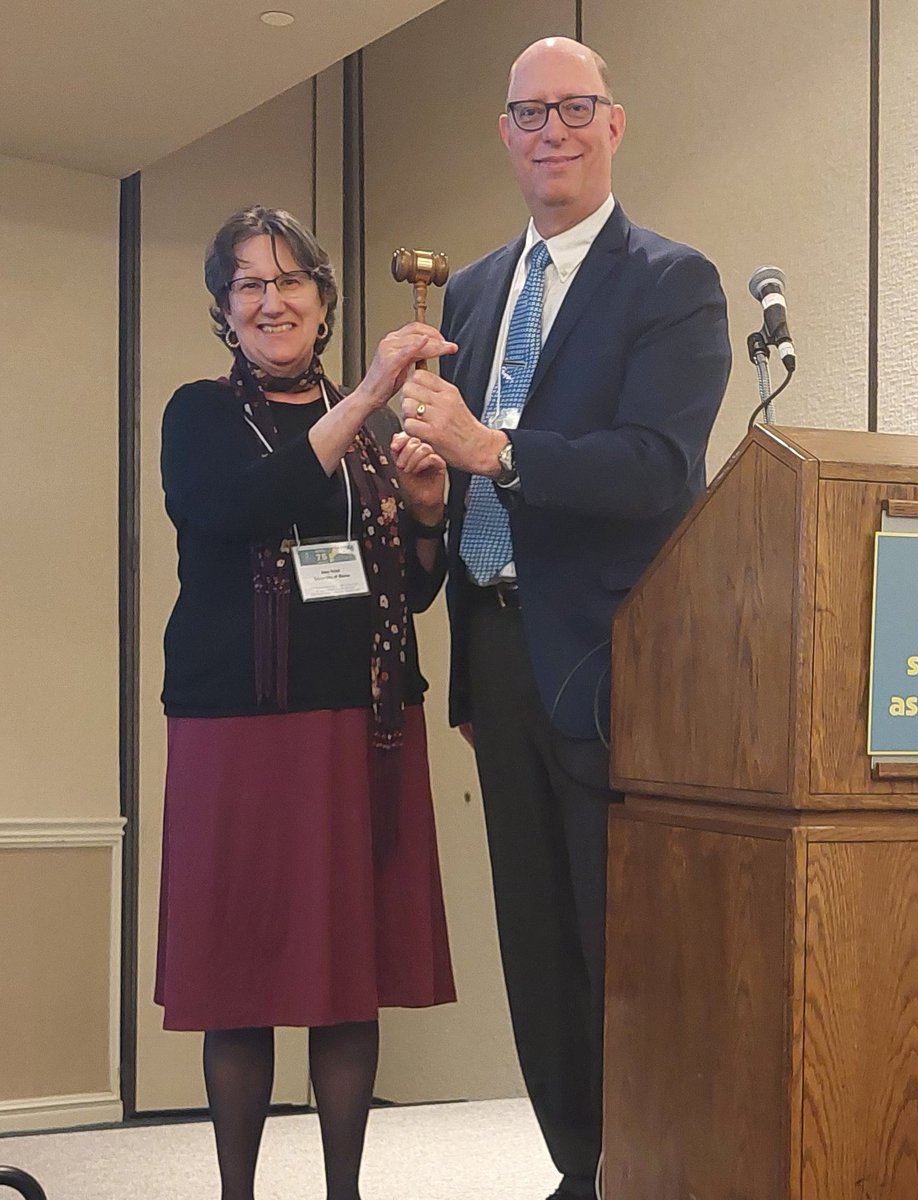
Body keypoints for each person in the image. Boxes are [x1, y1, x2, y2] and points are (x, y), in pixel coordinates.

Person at [397, 38, 732, 1200]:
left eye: (574, 109)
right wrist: (442, 492)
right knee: (535, 945)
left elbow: (655, 470)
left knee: (616, 945)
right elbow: (476, 476)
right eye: (530, 113)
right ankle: (577, 1169)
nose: (553, 131)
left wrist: (489, 450)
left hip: (610, 662)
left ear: (616, 124)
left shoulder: (673, 282)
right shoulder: (482, 288)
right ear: (504, 133)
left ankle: (646, 1164)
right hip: (497, 649)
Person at [155, 205, 457, 1200]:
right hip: (235, 728)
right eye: (248, 284)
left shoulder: (374, 441)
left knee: (343, 981)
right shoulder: (198, 415)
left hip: (355, 724)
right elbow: (240, 508)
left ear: (322, 301)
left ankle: (343, 1192)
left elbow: (402, 596)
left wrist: (422, 522)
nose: (270, 300)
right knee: (240, 979)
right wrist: (371, 390)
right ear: (224, 311)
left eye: (289, 281)